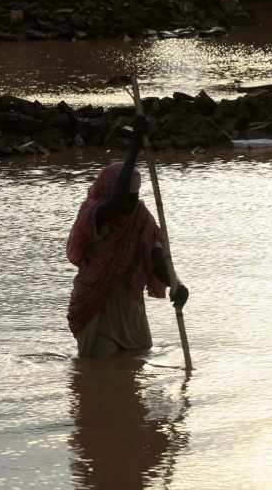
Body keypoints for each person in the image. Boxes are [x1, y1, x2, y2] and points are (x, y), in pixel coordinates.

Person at [66, 115, 188, 359]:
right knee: (99, 378)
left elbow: (156, 257)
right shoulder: (96, 212)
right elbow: (117, 202)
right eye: (128, 196)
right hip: (97, 309)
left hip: (131, 311)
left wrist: (177, 284)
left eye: (135, 196)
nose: (131, 203)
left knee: (134, 382)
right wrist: (134, 146)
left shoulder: (141, 219)